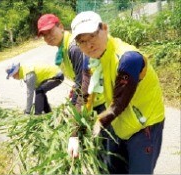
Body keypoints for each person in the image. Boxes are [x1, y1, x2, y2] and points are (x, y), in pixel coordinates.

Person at [67, 11, 165, 174]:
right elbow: (84, 95)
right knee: (112, 169)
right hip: (118, 122)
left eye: (92, 36)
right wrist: (74, 134)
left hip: (144, 124)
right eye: (82, 41)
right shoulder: (88, 58)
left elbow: (119, 104)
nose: (89, 45)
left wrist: (96, 125)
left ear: (104, 29)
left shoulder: (128, 59)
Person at [37, 14, 105, 112]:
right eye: (44, 35)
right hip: (91, 97)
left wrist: (73, 107)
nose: (48, 36)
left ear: (60, 27)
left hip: (100, 99)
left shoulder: (73, 47)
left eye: (50, 31)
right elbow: (79, 75)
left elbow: (82, 81)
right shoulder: (63, 48)